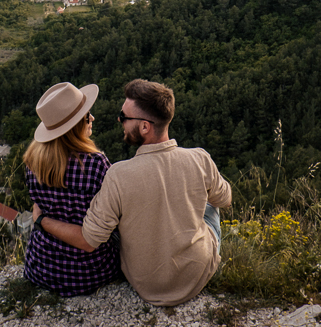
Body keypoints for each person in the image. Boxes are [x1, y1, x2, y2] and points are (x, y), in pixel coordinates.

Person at [33, 78, 232, 306]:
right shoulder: (199, 158)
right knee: (210, 206)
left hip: (146, 284)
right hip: (197, 274)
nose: (119, 120)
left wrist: (42, 221)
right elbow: (225, 199)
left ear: (144, 127)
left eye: (124, 117)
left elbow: (90, 239)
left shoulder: (118, 175)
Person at [23, 81, 121, 296]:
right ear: (76, 125)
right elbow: (110, 221)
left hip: (40, 268)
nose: (92, 118)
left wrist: (41, 219)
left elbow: (40, 207)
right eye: (87, 115)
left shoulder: (32, 162)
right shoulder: (96, 164)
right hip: (89, 272)